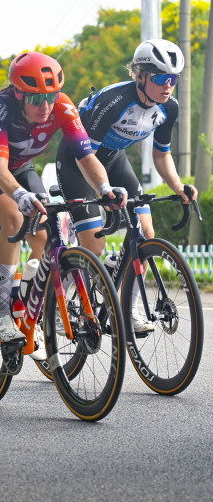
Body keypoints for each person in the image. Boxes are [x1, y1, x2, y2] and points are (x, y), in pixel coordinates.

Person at [0, 51, 125, 347]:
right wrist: (19, 194)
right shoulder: (0, 108)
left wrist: (105, 188)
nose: (45, 106)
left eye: (51, 96)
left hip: (21, 166)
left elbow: (86, 157)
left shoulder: (63, 106)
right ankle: (1, 314)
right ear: (19, 95)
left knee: (46, 232)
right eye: (36, 99)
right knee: (13, 216)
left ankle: (34, 299)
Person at [56, 38, 191, 333]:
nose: (168, 85)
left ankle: (128, 309)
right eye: (160, 78)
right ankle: (58, 301)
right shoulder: (113, 102)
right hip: (78, 161)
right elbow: (86, 157)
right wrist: (104, 191)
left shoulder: (169, 107)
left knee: (145, 234)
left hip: (114, 159)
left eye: (174, 79)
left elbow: (162, 154)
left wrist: (179, 186)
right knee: (94, 244)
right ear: (140, 76)